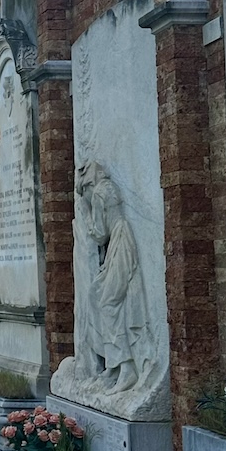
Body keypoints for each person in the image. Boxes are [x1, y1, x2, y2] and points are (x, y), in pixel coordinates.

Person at [74, 160, 146, 392]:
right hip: (120, 241)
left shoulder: (98, 194)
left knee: (107, 303)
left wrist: (84, 212)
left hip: (118, 243)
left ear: (86, 186)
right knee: (97, 296)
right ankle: (113, 366)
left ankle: (127, 368)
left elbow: (99, 234)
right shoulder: (108, 188)